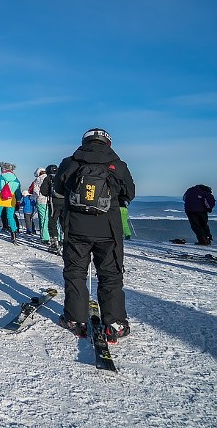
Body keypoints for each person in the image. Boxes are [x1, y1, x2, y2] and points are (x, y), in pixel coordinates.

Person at [55, 128, 136, 343]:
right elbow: (130, 193)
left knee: (75, 273)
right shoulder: (118, 165)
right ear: (107, 143)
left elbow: (58, 188)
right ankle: (115, 323)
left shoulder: (70, 162)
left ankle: (75, 319)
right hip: (108, 229)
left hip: (76, 227)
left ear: (84, 141)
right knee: (111, 275)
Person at [40, 164, 65, 252]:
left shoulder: (49, 178)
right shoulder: (62, 176)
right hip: (65, 202)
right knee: (64, 221)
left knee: (52, 221)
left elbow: (43, 191)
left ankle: (55, 243)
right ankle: (65, 241)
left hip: (54, 203)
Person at [31, 168, 52, 246]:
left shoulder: (38, 179)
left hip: (41, 201)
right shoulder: (50, 177)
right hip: (51, 201)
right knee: (52, 219)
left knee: (43, 219)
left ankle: (45, 238)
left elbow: (36, 192)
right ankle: (56, 236)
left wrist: (32, 198)